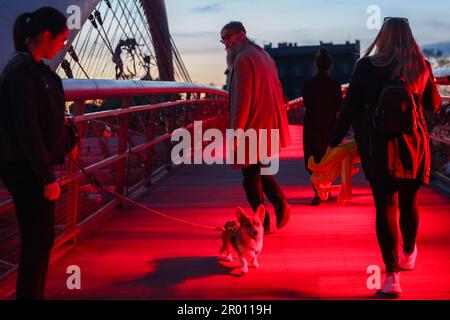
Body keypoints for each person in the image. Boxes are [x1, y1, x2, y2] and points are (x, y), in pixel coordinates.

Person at [328, 17, 441, 295]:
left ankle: (391, 277)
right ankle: (409, 249)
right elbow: (433, 105)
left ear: (383, 36)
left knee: (385, 206)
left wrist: (333, 143)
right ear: (409, 37)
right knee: (409, 200)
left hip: (377, 146)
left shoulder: (365, 66)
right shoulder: (420, 66)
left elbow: (350, 107)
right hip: (412, 145)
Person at [0, 7, 70, 299]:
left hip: (30, 168)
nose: (63, 45)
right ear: (45, 35)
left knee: (40, 240)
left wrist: (70, 137)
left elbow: (44, 119)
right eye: (61, 39)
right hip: (27, 170)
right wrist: (46, 178)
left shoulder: (32, 69)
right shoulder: (22, 72)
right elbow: (27, 128)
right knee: (37, 241)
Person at [220, 21, 292, 233]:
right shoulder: (264, 56)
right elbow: (278, 89)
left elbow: (242, 101)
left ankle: (266, 221)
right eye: (222, 39)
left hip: (252, 125)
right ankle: (279, 207)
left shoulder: (242, 60)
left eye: (228, 37)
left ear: (241, 35)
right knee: (257, 171)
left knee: (250, 179)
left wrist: (236, 132)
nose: (225, 43)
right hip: (268, 123)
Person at [302, 48, 342, 205]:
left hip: (312, 124)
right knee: (329, 158)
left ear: (316, 65)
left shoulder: (308, 84)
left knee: (313, 159)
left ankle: (318, 192)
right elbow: (339, 106)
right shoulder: (335, 84)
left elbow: (306, 103)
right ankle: (326, 189)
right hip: (330, 125)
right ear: (329, 66)